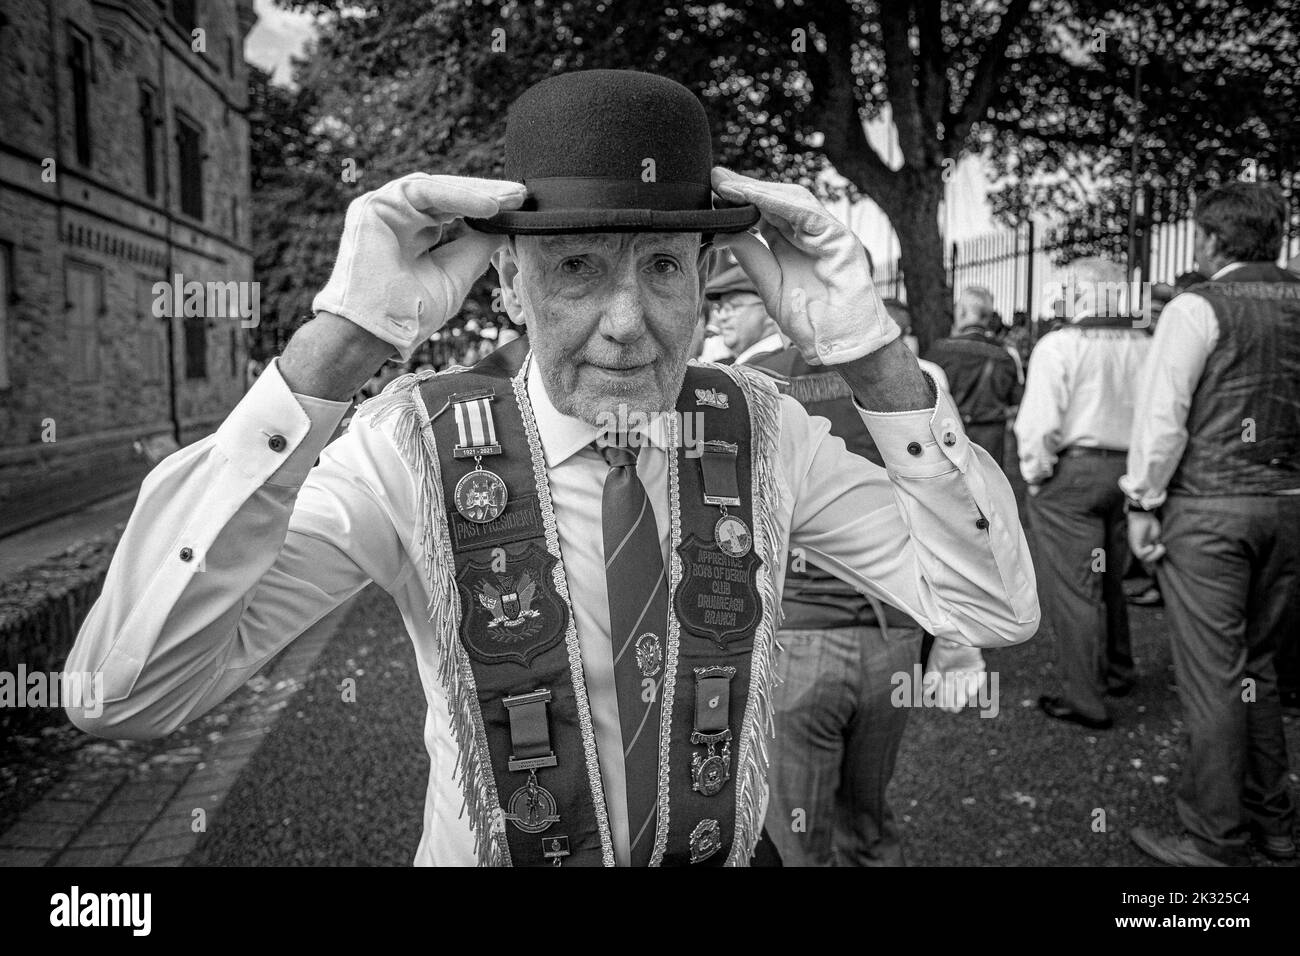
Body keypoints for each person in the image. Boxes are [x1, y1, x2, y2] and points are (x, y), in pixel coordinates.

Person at [63, 70, 1037, 867]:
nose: (627, 321)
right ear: (508, 282)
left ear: (704, 279)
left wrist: (869, 351)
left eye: (661, 266)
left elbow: (991, 609)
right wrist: (341, 342)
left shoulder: (761, 427)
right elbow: (128, 694)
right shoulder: (412, 446)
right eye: (576, 267)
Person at [734, 274, 984, 866]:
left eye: (733, 300)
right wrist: (954, 639)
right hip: (893, 632)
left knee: (797, 840)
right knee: (868, 821)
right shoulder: (914, 375)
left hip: (796, 637)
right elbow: (955, 511)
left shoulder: (746, 380)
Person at [1123, 181, 1299, 867]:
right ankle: (1275, 823)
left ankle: (1215, 838)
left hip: (1210, 508)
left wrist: (1142, 502)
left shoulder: (1199, 306)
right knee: (1259, 666)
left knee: (1214, 677)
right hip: (1288, 506)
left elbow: (1162, 417)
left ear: (1212, 238)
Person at [1014, 257, 1151, 731]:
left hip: (1074, 475)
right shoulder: (1145, 343)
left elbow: (1038, 426)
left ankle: (1085, 698)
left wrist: (1036, 474)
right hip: (1129, 471)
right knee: (1111, 576)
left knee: (1076, 589)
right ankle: (1118, 668)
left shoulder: (1060, 345)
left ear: (1081, 292)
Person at [925, 286, 1022, 470]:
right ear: (988, 316)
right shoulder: (1004, 356)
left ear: (960, 312)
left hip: (949, 437)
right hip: (990, 443)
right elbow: (1016, 402)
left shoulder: (939, 351)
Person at [705, 250, 786, 365]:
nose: (722, 317)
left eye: (733, 306)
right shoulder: (749, 365)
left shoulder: (774, 368)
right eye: (720, 307)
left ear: (771, 312)